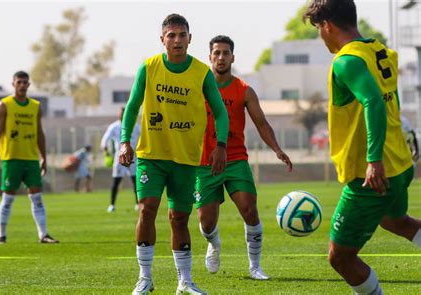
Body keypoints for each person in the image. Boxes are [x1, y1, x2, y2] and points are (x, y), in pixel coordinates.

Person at [303, 1, 421, 294]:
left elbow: (373, 102)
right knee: (396, 220)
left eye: (319, 28)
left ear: (327, 25)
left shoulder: (347, 60)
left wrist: (373, 159)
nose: (321, 35)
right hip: (401, 164)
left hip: (371, 175)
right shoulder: (380, 50)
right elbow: (390, 102)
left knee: (340, 257)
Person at [119, 13, 229, 295]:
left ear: (190, 39)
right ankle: (145, 278)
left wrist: (221, 146)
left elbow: (220, 111)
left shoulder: (202, 72)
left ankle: (185, 282)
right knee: (147, 209)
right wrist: (124, 141)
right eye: (171, 35)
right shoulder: (149, 67)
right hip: (152, 155)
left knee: (178, 219)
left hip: (186, 158)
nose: (177, 40)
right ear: (162, 40)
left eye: (182, 35)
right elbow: (132, 107)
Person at [196, 35, 293, 280]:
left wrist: (277, 149)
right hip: (204, 162)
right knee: (206, 223)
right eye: (216, 53)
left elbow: (261, 123)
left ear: (232, 57)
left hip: (235, 159)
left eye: (225, 53)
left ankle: (255, 267)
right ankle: (214, 243)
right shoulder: (197, 88)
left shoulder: (244, 90)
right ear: (209, 57)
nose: (220, 57)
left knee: (250, 210)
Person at [0, 71, 58, 245]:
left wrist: (44, 157)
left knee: (37, 197)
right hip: (12, 158)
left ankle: (43, 234)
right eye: (19, 82)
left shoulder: (35, 106)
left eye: (25, 82)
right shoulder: (4, 105)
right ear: (13, 84)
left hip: (31, 159)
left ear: (29, 85)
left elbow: (39, 134)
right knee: (8, 198)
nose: (22, 85)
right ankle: (1, 235)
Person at [101, 107, 141, 212]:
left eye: (125, 113)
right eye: (121, 114)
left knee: (135, 181)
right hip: (120, 158)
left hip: (133, 157)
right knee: (116, 181)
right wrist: (105, 150)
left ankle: (138, 204)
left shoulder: (135, 126)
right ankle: (112, 205)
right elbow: (105, 139)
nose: (122, 115)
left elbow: (144, 138)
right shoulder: (114, 126)